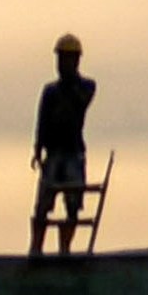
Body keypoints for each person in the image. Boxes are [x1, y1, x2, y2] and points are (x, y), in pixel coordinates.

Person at [29, 34, 99, 254]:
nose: (61, 64)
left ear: (76, 60)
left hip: (73, 153)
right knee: (42, 205)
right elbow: (42, 120)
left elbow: (80, 102)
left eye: (66, 59)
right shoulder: (50, 91)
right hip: (54, 153)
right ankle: (36, 249)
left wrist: (70, 84)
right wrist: (38, 148)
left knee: (72, 204)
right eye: (59, 59)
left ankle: (64, 249)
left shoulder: (86, 86)